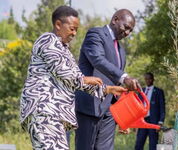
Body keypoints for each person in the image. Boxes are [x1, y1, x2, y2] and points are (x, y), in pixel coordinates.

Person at [19, 6, 127, 149]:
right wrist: (84, 79)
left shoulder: (65, 50)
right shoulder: (47, 40)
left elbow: (78, 81)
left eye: (76, 29)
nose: (74, 33)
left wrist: (108, 89)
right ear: (58, 25)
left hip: (56, 114)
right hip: (45, 110)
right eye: (72, 28)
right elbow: (64, 72)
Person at [75, 9, 139, 150]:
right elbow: (98, 60)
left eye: (131, 30)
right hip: (89, 106)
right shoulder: (96, 34)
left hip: (109, 112)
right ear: (115, 20)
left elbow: (115, 83)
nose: (127, 33)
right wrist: (125, 77)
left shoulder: (121, 50)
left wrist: (123, 117)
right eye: (126, 27)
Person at [135, 72, 166, 150]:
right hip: (142, 121)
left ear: (153, 79)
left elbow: (162, 107)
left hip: (153, 122)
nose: (148, 80)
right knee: (138, 144)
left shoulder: (158, 92)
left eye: (149, 79)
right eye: (146, 79)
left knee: (153, 145)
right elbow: (138, 107)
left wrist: (160, 122)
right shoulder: (142, 91)